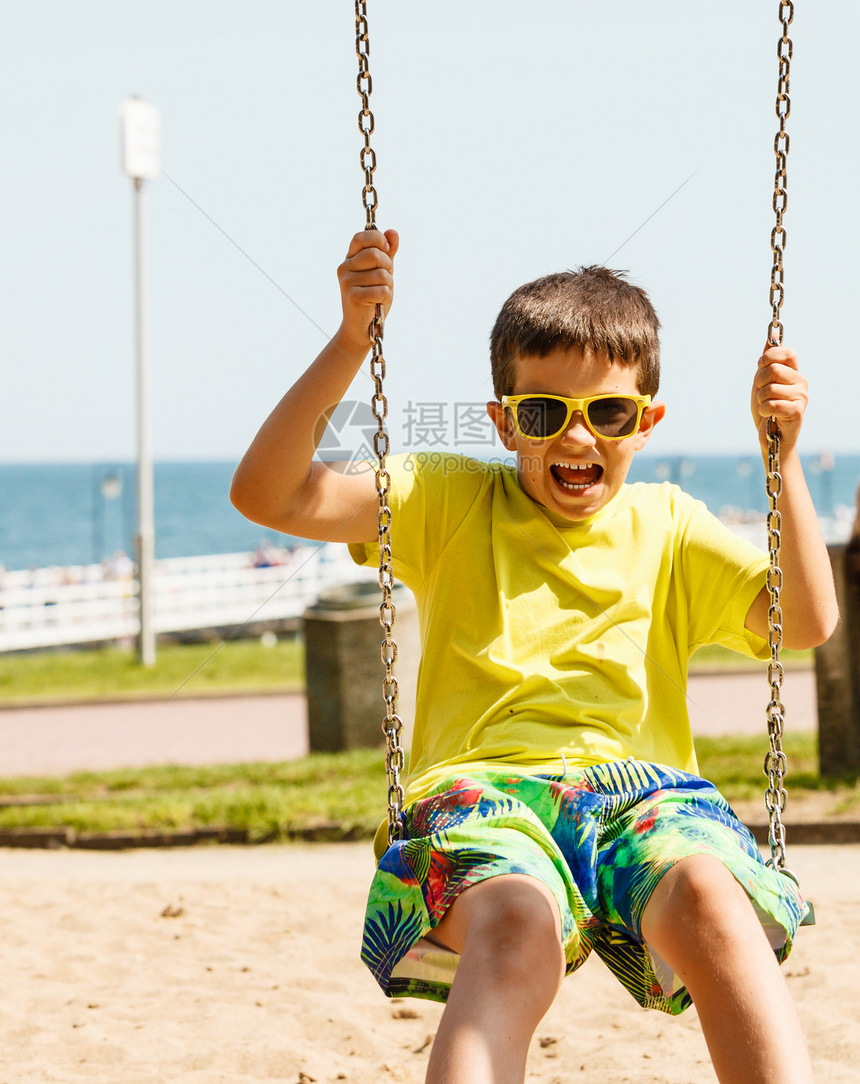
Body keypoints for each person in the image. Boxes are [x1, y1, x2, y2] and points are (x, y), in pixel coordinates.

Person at [231, 229, 838, 1084]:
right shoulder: (446, 498)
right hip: (484, 798)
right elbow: (269, 493)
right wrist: (349, 343)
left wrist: (783, 460)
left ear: (647, 420)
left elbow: (804, 619)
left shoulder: (667, 525)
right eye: (544, 413)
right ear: (504, 421)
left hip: (642, 797)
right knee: (516, 926)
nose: (576, 438)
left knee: (712, 897)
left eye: (609, 413)